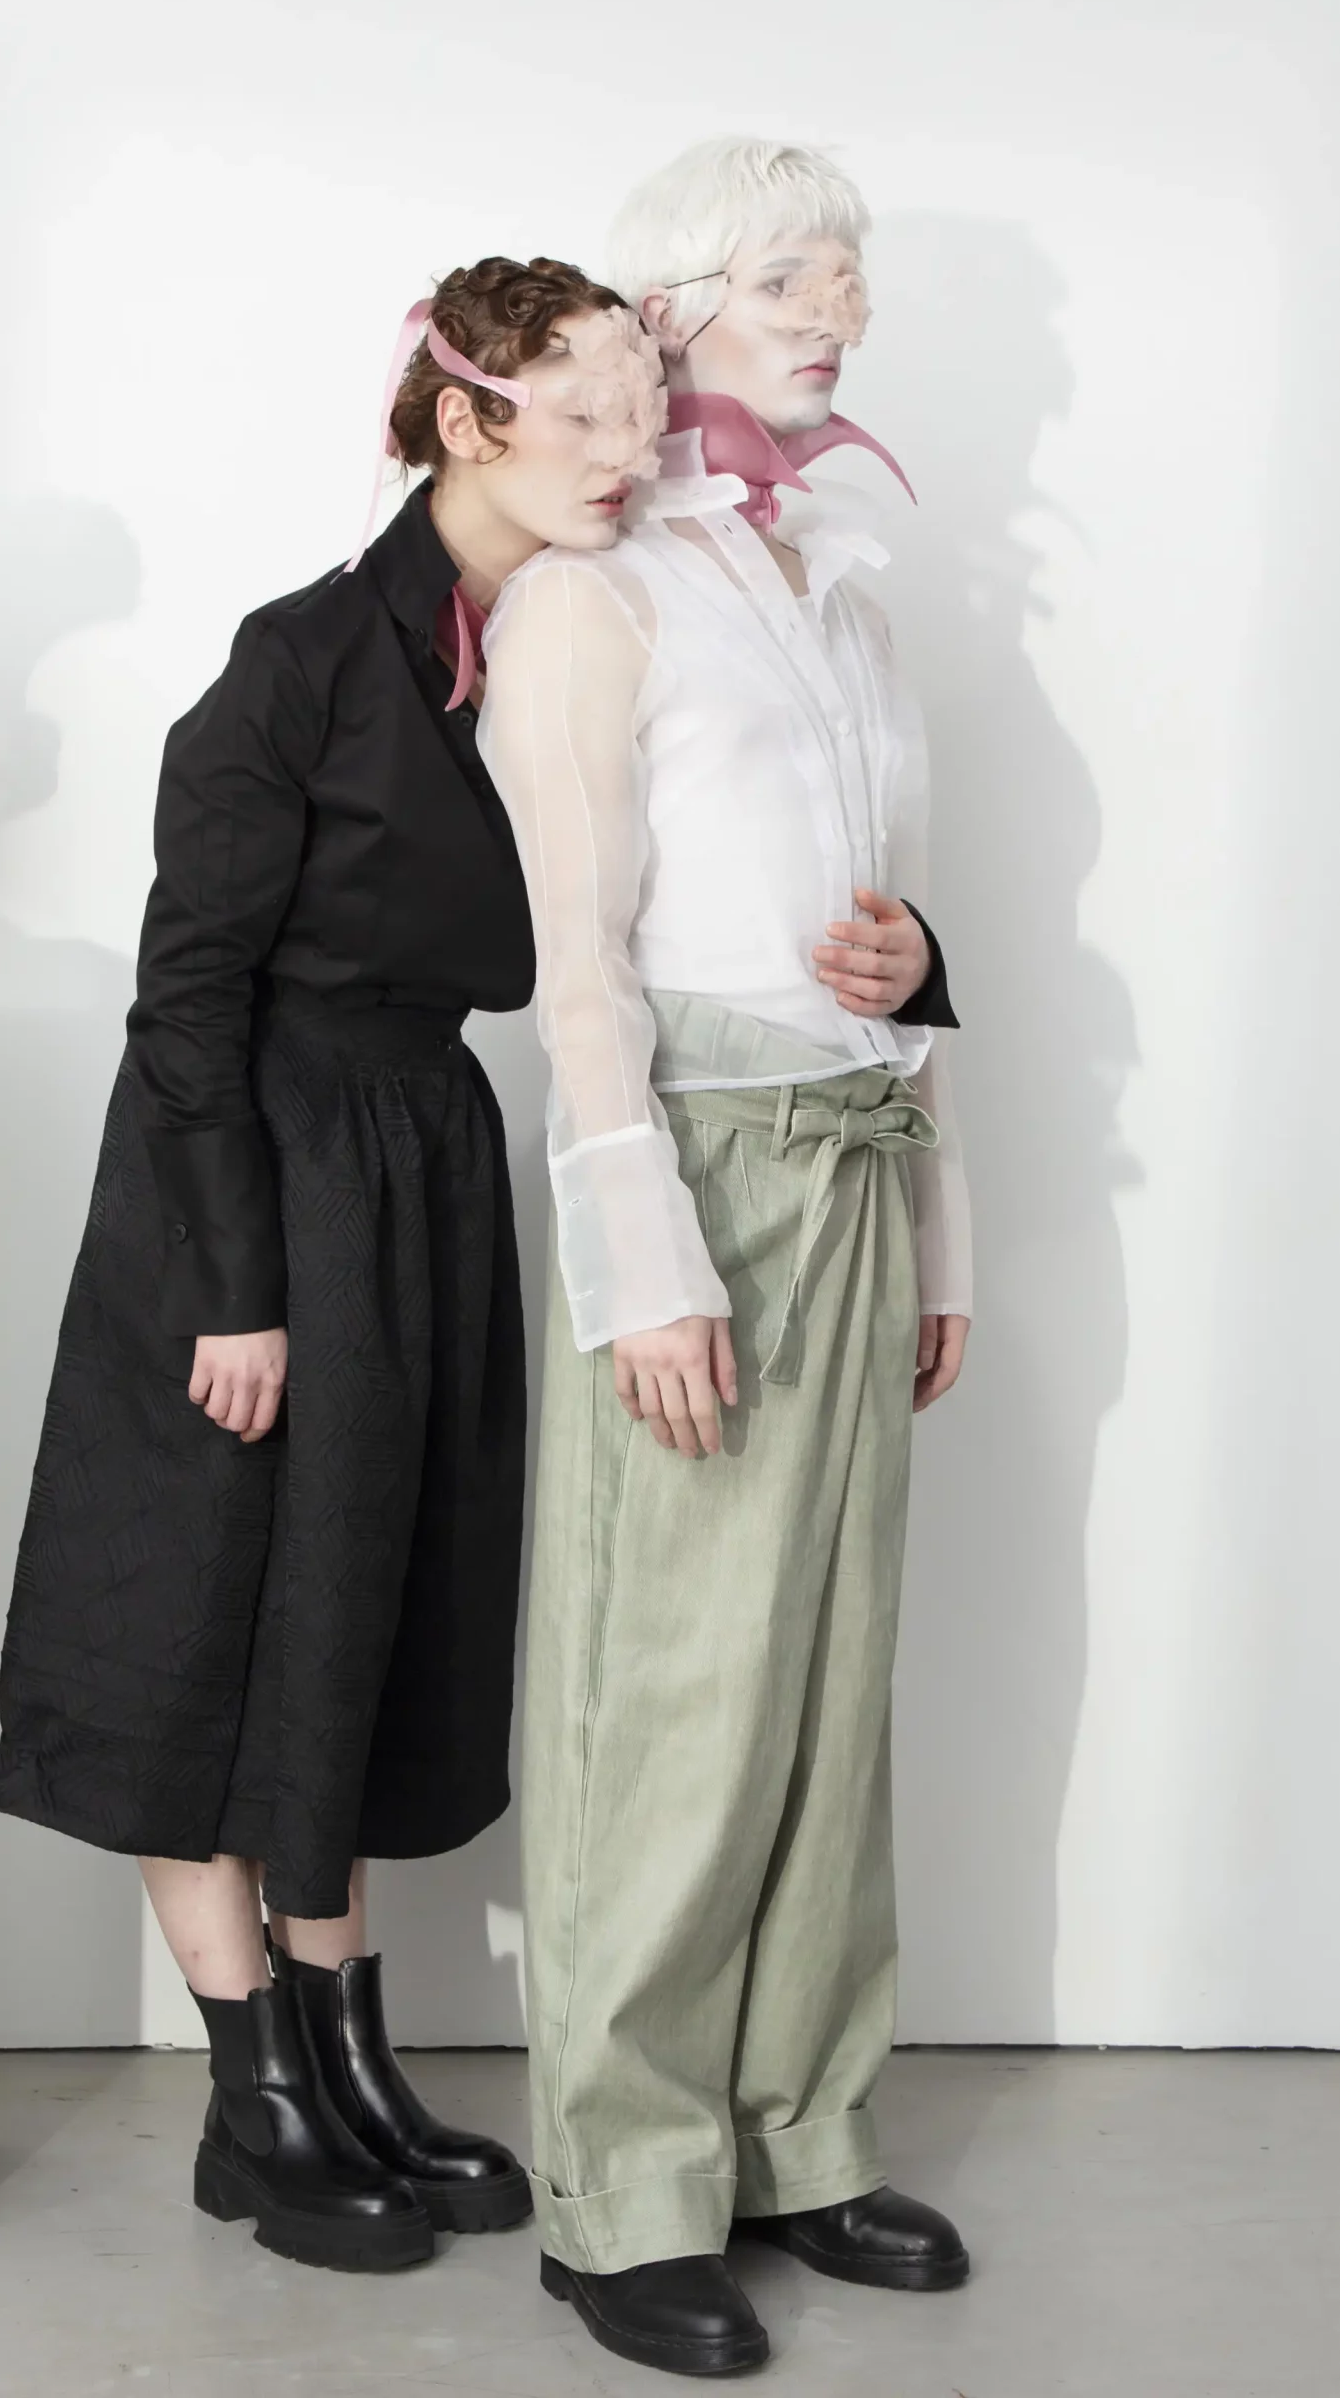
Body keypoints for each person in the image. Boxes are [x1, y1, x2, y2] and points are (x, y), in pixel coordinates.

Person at [0, 258, 674, 2273]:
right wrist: (231, 1285)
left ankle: (342, 2059)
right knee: (205, 1619)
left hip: (417, 1158)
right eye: (584, 412)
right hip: (253, 1180)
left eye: (645, 413)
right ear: (467, 418)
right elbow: (185, 994)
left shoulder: (560, 646)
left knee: (356, 1615)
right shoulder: (296, 658)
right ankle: (250, 2097)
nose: (626, 454)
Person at [477, 139, 973, 2375]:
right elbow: (578, 961)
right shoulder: (597, 593)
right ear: (671, 312)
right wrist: (641, 1255)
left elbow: (879, 927)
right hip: (695, 1169)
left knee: (829, 1687)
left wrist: (939, 1203)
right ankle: (624, 2185)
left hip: (862, 1160)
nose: (837, 305)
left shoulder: (842, 590)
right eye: (790, 272)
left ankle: (800, 2134)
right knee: (666, 1693)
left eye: (848, 271)